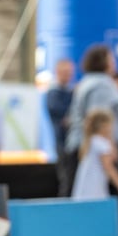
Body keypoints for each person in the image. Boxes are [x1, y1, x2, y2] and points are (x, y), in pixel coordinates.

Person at [61, 44, 118, 197]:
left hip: (82, 146)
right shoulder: (101, 85)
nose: (114, 62)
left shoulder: (87, 82)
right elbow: (100, 119)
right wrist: (110, 147)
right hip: (96, 153)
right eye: (111, 58)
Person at [71, 108, 118, 201]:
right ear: (105, 126)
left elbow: (114, 156)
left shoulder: (93, 141)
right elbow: (108, 166)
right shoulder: (100, 143)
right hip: (93, 189)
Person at [46, 59, 75, 192]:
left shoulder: (70, 91)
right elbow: (63, 117)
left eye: (69, 72)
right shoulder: (54, 93)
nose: (67, 75)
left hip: (72, 142)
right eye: (65, 72)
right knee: (66, 177)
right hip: (63, 142)